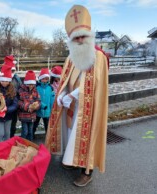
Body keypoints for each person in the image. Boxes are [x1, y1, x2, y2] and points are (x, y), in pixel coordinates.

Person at [45, 4, 109, 187]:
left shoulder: (99, 58)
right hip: (73, 105)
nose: (80, 40)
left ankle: (86, 171)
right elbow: (65, 79)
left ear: (90, 36)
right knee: (73, 134)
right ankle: (73, 160)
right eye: (76, 37)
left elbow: (95, 86)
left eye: (83, 36)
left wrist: (72, 95)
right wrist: (62, 94)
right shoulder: (70, 57)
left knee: (87, 136)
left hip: (89, 106)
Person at [0, 55, 22, 138]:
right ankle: (2, 142)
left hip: (12, 105)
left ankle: (9, 141)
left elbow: (20, 90)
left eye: (12, 70)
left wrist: (16, 103)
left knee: (12, 126)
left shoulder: (17, 79)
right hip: (0, 107)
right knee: (2, 130)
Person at [18, 70, 40, 141]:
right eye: (29, 84)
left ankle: (30, 144)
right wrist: (28, 107)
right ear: (26, 83)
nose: (31, 86)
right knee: (25, 131)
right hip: (24, 115)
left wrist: (36, 106)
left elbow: (38, 100)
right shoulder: (21, 90)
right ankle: (22, 143)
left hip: (32, 115)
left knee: (30, 131)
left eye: (32, 84)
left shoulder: (35, 91)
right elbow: (19, 102)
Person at [33, 68, 55, 138]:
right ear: (40, 79)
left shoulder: (50, 88)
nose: (45, 80)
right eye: (43, 79)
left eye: (46, 79)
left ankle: (48, 138)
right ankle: (31, 137)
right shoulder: (37, 87)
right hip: (38, 109)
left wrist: (52, 109)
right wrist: (41, 105)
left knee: (47, 126)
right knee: (35, 125)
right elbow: (35, 98)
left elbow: (52, 99)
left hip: (47, 111)